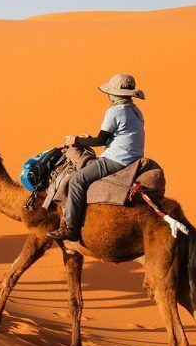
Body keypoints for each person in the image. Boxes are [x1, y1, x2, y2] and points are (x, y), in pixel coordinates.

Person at [47, 73, 147, 242]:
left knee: (77, 180)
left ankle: (70, 227)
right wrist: (89, 138)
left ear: (114, 94)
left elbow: (101, 140)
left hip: (117, 160)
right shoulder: (135, 110)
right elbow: (116, 136)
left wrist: (77, 140)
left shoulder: (114, 111)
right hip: (134, 158)